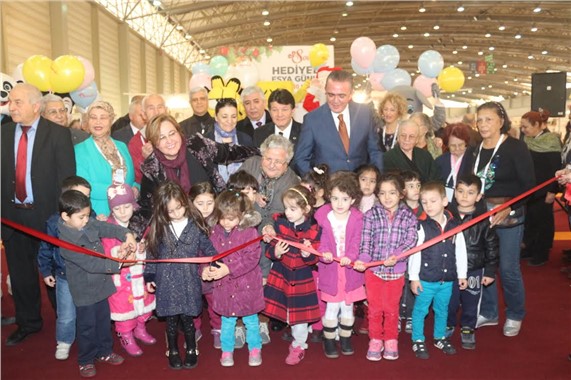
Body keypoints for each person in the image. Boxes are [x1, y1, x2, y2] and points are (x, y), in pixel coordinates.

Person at [1, 83, 76, 346]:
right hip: (11, 217)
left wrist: (63, 217)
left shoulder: (57, 134)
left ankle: (65, 323)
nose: (12, 106)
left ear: (36, 106)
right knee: (21, 275)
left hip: (46, 218)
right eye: (11, 102)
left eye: (18, 102)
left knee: (55, 272)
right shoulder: (3, 133)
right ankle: (28, 322)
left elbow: (66, 179)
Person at [132, 114, 257, 236]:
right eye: (161, 137)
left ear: (179, 132)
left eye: (172, 133)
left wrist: (259, 151)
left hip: (213, 223)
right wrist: (130, 235)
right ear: (154, 143)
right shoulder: (152, 169)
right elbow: (146, 209)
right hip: (177, 231)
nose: (169, 140)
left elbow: (228, 152)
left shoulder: (196, 145)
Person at [58, 190, 137, 377]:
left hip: (101, 285)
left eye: (87, 215)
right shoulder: (66, 242)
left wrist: (127, 235)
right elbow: (91, 264)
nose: (86, 220)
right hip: (84, 291)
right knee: (86, 326)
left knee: (103, 322)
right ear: (65, 216)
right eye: (81, 217)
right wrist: (120, 263)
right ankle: (85, 359)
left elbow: (108, 228)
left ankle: (105, 351)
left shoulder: (88, 223)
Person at [473, 102, 535, 337]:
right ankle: (489, 312)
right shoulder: (474, 149)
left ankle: (515, 313)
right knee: (484, 265)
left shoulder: (516, 147)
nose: (483, 124)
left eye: (488, 119)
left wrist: (508, 207)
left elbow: (530, 186)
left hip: (509, 215)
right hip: (480, 216)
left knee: (508, 268)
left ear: (501, 121)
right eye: (479, 120)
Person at [144, 182, 217, 370]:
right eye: (171, 211)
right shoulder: (159, 226)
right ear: (162, 211)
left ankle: (192, 349)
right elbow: (152, 254)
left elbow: (207, 247)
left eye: (179, 208)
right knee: (170, 320)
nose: (177, 213)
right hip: (166, 280)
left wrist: (215, 260)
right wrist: (150, 276)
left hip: (188, 279)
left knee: (187, 318)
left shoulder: (194, 223)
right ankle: (173, 350)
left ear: (185, 202)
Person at [357, 173, 418, 361]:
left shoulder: (408, 215)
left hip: (396, 271)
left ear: (401, 193)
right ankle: (375, 339)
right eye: (382, 193)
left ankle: (391, 339)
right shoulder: (370, 215)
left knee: (391, 308)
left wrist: (397, 256)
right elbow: (365, 241)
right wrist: (364, 260)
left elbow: (411, 240)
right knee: (375, 307)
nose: (387, 197)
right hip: (374, 271)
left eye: (392, 192)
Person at [203, 190, 264, 367]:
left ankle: (255, 348)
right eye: (222, 218)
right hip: (224, 287)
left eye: (231, 218)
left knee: (251, 321)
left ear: (242, 215)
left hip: (246, 286)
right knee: (227, 321)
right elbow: (206, 254)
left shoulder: (250, 232)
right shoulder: (214, 231)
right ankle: (227, 350)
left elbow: (252, 258)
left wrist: (228, 269)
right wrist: (205, 270)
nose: (226, 222)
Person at [408, 182, 467, 360]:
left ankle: (439, 337)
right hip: (426, 279)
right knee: (421, 311)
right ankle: (417, 339)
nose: (428, 206)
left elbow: (461, 250)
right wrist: (413, 278)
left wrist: (462, 274)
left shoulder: (454, 226)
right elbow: (415, 253)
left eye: (433, 201)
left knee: (443, 310)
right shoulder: (422, 226)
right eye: (424, 202)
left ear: (444, 201)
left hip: (446, 280)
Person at [264, 185, 322, 365]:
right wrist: (277, 252)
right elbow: (269, 250)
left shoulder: (313, 229)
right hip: (282, 275)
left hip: (301, 278)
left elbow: (314, 259)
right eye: (286, 208)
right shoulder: (280, 224)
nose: (287, 212)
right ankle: (295, 335)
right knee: (286, 312)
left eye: (293, 209)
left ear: (305, 209)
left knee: (300, 317)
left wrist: (307, 253)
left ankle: (299, 345)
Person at [37, 176, 92, 360]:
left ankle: (91, 338)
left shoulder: (90, 218)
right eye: (80, 196)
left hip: (87, 275)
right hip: (64, 276)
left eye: (87, 197)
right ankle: (64, 341)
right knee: (66, 312)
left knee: (89, 310)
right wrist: (45, 271)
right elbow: (45, 248)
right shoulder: (54, 223)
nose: (85, 202)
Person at [315, 172, 367, 359]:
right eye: (335, 198)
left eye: (344, 199)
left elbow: (357, 242)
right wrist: (326, 254)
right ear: (329, 197)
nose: (339, 203)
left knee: (347, 306)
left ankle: (345, 338)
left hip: (349, 270)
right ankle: (329, 339)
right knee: (332, 307)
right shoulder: (325, 217)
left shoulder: (357, 218)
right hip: (331, 270)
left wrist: (350, 256)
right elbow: (322, 241)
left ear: (352, 199)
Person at [101, 184, 156, 357]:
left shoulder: (139, 222)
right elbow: (108, 253)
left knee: (145, 305)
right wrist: (123, 253)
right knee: (125, 310)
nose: (123, 212)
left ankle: (140, 328)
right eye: (117, 208)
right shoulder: (108, 228)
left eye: (126, 206)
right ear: (112, 209)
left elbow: (150, 244)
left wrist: (144, 248)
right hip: (122, 280)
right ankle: (126, 336)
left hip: (140, 275)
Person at [293, 70, 382, 175]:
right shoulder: (312, 119)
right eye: (331, 95)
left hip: (360, 186)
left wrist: (375, 180)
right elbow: (301, 158)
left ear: (351, 94)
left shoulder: (364, 113)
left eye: (341, 96)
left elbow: (375, 151)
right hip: (327, 187)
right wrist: (317, 184)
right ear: (325, 91)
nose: (335, 101)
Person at [446, 174, 499, 350]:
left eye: (470, 192)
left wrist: (490, 271)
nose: (464, 196)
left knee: (471, 300)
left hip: (474, 268)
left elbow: (492, 246)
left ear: (478, 196)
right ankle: (448, 323)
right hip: (451, 268)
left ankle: (468, 327)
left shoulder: (484, 220)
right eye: (460, 191)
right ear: (454, 193)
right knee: (449, 300)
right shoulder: (448, 217)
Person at [240, 134, 300, 279]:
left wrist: (269, 226)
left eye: (278, 161)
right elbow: (232, 189)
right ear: (262, 156)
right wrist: (251, 194)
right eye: (268, 159)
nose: (271, 165)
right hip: (239, 228)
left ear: (287, 163)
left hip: (265, 236)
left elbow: (278, 211)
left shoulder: (291, 181)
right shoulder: (250, 165)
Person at [74, 100, 139, 216]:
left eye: (103, 117)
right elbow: (83, 185)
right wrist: (119, 191)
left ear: (111, 120)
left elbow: (132, 178)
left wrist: (135, 188)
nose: (97, 122)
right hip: (100, 213)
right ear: (87, 121)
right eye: (93, 117)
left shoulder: (122, 146)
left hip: (127, 212)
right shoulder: (80, 150)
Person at [520, 110, 561, 266]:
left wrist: (553, 190)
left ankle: (542, 253)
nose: (523, 130)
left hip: (545, 190)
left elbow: (556, 168)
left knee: (543, 221)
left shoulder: (551, 140)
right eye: (522, 127)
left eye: (526, 127)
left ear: (537, 125)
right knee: (530, 220)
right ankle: (529, 248)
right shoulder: (527, 140)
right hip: (530, 188)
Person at [189, 182, 221, 347]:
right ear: (191, 202)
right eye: (200, 203)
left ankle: (217, 328)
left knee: (215, 302)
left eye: (210, 203)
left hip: (213, 270)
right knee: (193, 302)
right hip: (193, 271)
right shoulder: (187, 222)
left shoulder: (220, 222)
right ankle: (194, 329)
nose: (205, 208)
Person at [205, 98, 254, 183]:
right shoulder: (206, 142)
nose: (230, 121)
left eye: (233, 116)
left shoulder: (246, 140)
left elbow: (252, 170)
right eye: (224, 116)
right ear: (216, 117)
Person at [435, 123, 475, 202]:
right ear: (447, 145)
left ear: (466, 143)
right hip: (446, 201)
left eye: (460, 145)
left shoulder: (473, 159)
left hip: (467, 201)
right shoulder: (440, 161)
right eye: (453, 145)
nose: (457, 148)